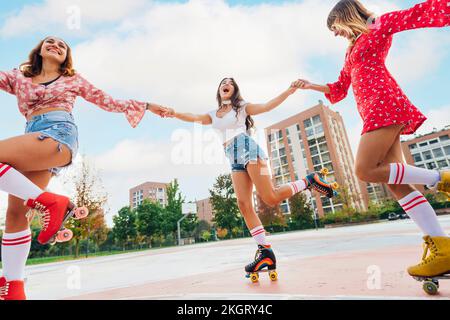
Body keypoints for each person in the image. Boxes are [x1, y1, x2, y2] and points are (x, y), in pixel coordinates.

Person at [0, 36, 169, 300]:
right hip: (31, 139)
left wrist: (145, 105)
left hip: (58, 134)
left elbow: (107, 101)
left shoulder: (72, 80)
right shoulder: (19, 78)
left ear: (66, 56)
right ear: (39, 50)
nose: (55, 44)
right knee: (15, 215)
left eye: (62, 45)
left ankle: (50, 202)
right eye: (49, 42)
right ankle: (14, 289)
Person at [294, 0, 450, 278]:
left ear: (345, 16)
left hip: (384, 103)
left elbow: (415, 15)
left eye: (334, 27)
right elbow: (340, 88)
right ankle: (443, 249)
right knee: (397, 185)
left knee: (364, 169)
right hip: (371, 109)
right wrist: (310, 85)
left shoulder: (376, 26)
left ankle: (441, 178)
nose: (334, 33)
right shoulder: (350, 51)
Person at [162, 77, 337, 280]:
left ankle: (309, 181)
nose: (226, 84)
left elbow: (267, 106)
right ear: (219, 90)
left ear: (234, 89)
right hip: (233, 157)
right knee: (244, 204)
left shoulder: (241, 108)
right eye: (222, 83)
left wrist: (289, 90)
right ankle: (265, 252)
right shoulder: (213, 115)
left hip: (250, 151)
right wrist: (174, 113)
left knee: (270, 197)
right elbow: (193, 116)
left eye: (230, 83)